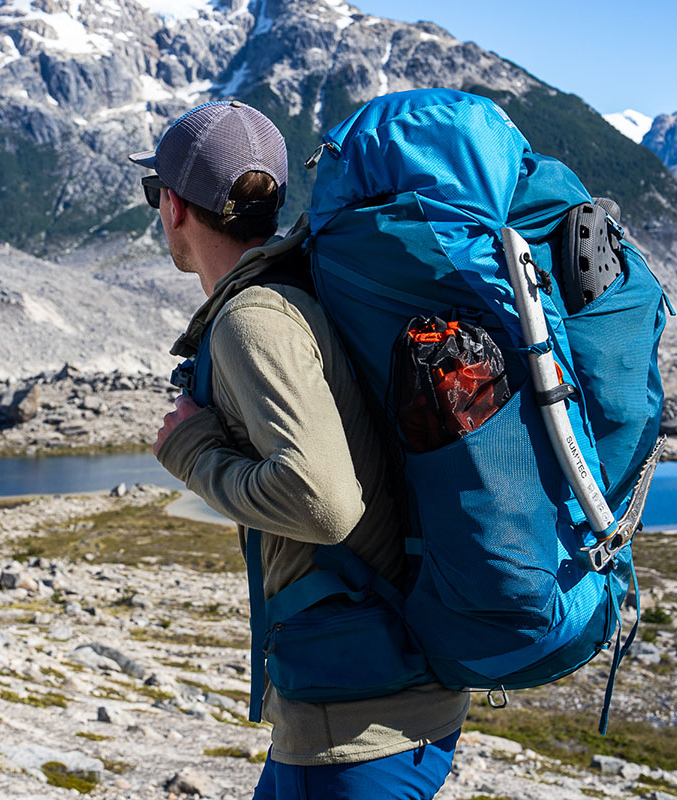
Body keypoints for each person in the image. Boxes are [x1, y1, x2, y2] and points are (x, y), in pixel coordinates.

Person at [131, 100, 471, 799]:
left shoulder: (253, 320)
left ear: (173, 207)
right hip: (363, 702)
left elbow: (324, 502)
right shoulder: (300, 287)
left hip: (355, 729)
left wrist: (192, 451)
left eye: (153, 192)